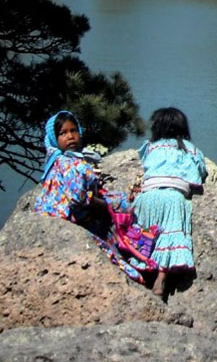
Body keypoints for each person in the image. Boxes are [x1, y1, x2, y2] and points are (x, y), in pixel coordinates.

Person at [33, 110, 144, 283]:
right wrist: (105, 205)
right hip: (69, 222)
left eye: (73, 131)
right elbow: (79, 200)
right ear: (54, 139)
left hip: (51, 218)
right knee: (119, 205)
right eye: (63, 133)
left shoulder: (56, 162)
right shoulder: (71, 164)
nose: (70, 137)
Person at [131, 107, 208, 296]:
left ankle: (140, 265)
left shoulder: (150, 146)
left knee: (145, 232)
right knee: (170, 233)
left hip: (148, 195)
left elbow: (144, 162)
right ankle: (161, 276)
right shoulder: (189, 148)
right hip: (174, 196)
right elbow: (200, 170)